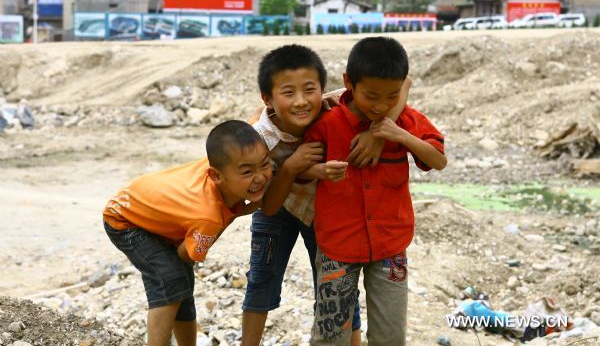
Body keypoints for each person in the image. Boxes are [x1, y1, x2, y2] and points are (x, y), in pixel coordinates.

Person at [241, 44, 411, 346]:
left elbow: (404, 83)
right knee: (262, 279)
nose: (302, 101)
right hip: (279, 207)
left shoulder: (333, 104)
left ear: (322, 87)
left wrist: (376, 134)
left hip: (323, 213)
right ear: (267, 98)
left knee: (338, 285)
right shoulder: (260, 139)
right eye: (288, 93)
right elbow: (267, 206)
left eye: (309, 90)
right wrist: (292, 168)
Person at [303, 37, 447, 346]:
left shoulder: (406, 120)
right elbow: (298, 167)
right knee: (330, 336)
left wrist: (400, 135)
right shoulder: (327, 123)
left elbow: (438, 160)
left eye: (391, 96)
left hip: (391, 247)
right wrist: (317, 171)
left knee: (390, 335)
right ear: (348, 83)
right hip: (337, 247)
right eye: (371, 96)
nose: (381, 106)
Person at [102, 120, 272, 346]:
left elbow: (256, 120)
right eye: (248, 171)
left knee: (183, 288)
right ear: (216, 176)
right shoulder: (207, 216)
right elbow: (185, 256)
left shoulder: (231, 157)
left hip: (145, 211)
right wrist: (236, 213)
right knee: (170, 279)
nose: (260, 177)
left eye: (265, 165)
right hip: (123, 219)